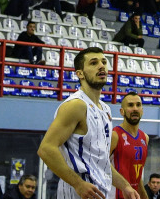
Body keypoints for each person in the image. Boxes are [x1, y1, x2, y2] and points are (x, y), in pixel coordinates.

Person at [38, 47, 141, 199]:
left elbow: (102, 163)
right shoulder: (76, 105)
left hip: (100, 192)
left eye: (104, 62)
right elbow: (46, 149)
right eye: (93, 63)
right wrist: (78, 184)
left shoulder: (105, 109)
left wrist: (125, 186)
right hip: (77, 193)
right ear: (80, 73)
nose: (101, 66)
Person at [110, 92, 149, 199]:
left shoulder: (145, 137)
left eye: (138, 105)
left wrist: (144, 196)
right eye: (130, 105)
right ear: (122, 111)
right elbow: (101, 165)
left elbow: (137, 175)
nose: (135, 109)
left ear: (142, 110)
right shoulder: (114, 135)